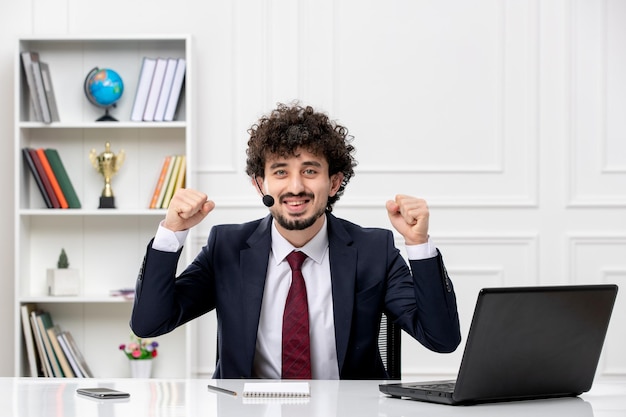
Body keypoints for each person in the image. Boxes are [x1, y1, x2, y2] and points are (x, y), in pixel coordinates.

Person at [130, 102, 461, 379]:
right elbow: (149, 323)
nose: (295, 186)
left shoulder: (374, 251)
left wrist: (418, 245)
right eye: (280, 172)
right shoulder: (227, 247)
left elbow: (441, 339)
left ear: (334, 183)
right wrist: (171, 232)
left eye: (310, 171)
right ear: (260, 185)